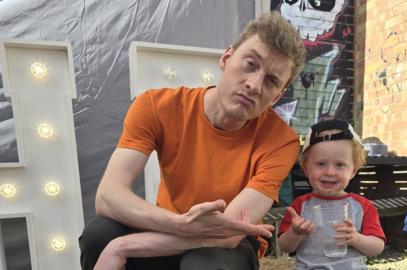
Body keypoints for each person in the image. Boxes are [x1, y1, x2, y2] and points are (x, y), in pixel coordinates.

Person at [79, 11, 306, 270]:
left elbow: (229, 234)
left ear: (277, 96)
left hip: (230, 246)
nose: (254, 85)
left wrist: (123, 246)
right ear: (226, 57)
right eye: (250, 64)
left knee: (204, 264)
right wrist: (180, 224)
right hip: (169, 223)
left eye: (271, 80)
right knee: (99, 235)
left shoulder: (282, 141)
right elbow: (108, 197)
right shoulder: (156, 105)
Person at [278, 120, 386, 270]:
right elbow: (285, 246)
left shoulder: (363, 206)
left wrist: (357, 239)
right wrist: (295, 232)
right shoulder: (300, 205)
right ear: (306, 168)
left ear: (353, 171)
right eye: (321, 164)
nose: (329, 172)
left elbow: (377, 247)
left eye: (340, 165)